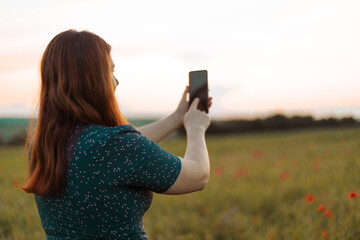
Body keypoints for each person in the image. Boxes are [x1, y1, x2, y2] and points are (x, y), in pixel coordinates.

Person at [21, 29, 212, 239]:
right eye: (110, 71)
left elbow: (121, 144)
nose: (116, 81)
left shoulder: (41, 144)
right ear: (89, 78)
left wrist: (177, 118)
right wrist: (196, 128)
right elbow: (198, 175)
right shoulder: (115, 146)